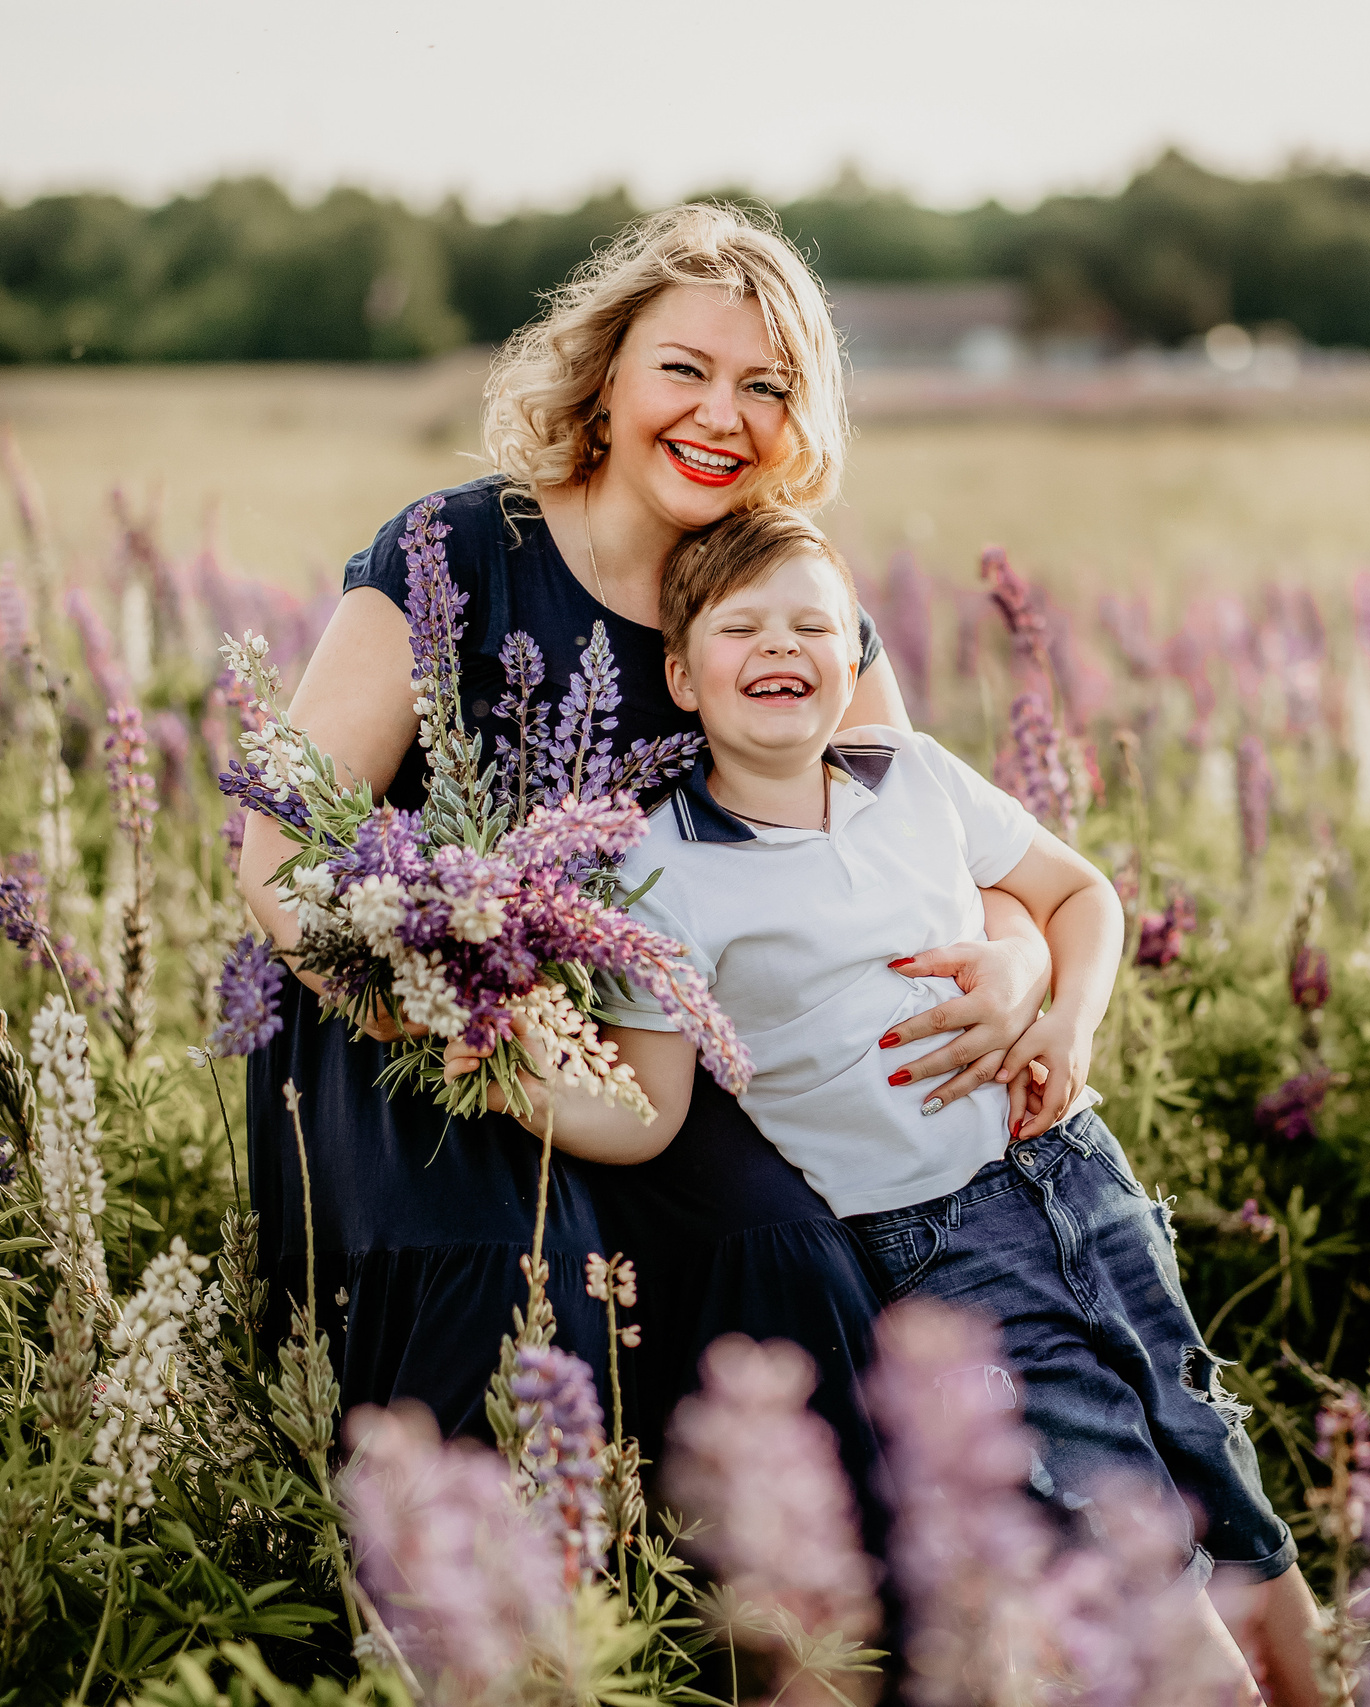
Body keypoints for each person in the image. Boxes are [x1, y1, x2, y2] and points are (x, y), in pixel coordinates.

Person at [234, 204, 1054, 1486]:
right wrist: (431, 999)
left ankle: (775, 1594)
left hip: (655, 1045)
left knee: (790, 1259)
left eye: (765, 386)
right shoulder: (455, 552)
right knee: (507, 1273)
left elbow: (919, 852)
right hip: (411, 1022)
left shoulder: (777, 596)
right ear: (606, 376)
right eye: (685, 369)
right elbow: (279, 854)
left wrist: (1016, 964)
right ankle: (466, 1587)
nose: (722, 415)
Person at [449, 507, 1324, 1706]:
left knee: (1220, 1476)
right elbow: (645, 1112)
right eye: (742, 627)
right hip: (939, 1247)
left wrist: (1068, 1021)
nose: (781, 646)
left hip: (1080, 1176)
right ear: (680, 675)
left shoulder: (912, 774)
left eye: (813, 625)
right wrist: (499, 1065)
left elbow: (1081, 896)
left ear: (855, 652)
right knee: (1125, 1539)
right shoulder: (657, 866)